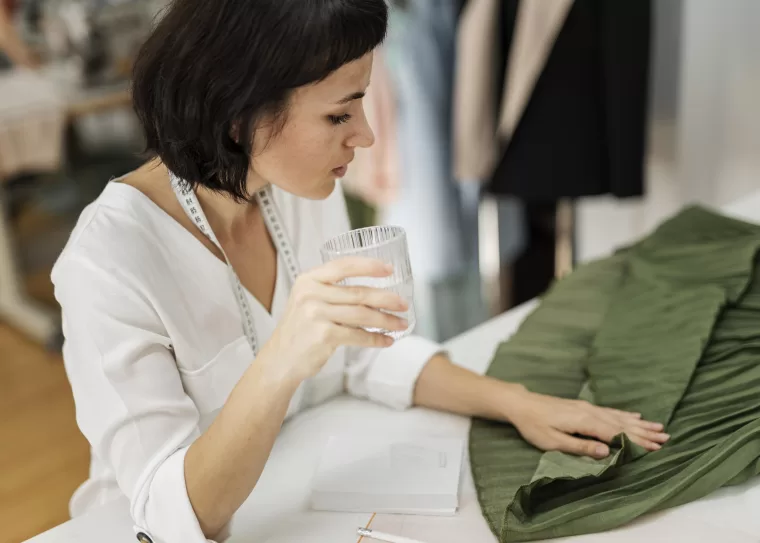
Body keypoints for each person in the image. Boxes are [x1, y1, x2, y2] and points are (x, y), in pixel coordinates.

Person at [51, 1, 669, 542]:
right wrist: (283, 358)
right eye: (339, 116)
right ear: (240, 118)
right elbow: (168, 517)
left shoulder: (287, 185)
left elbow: (365, 357)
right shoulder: (108, 261)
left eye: (361, 106)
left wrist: (515, 402)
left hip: (305, 490)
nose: (368, 137)